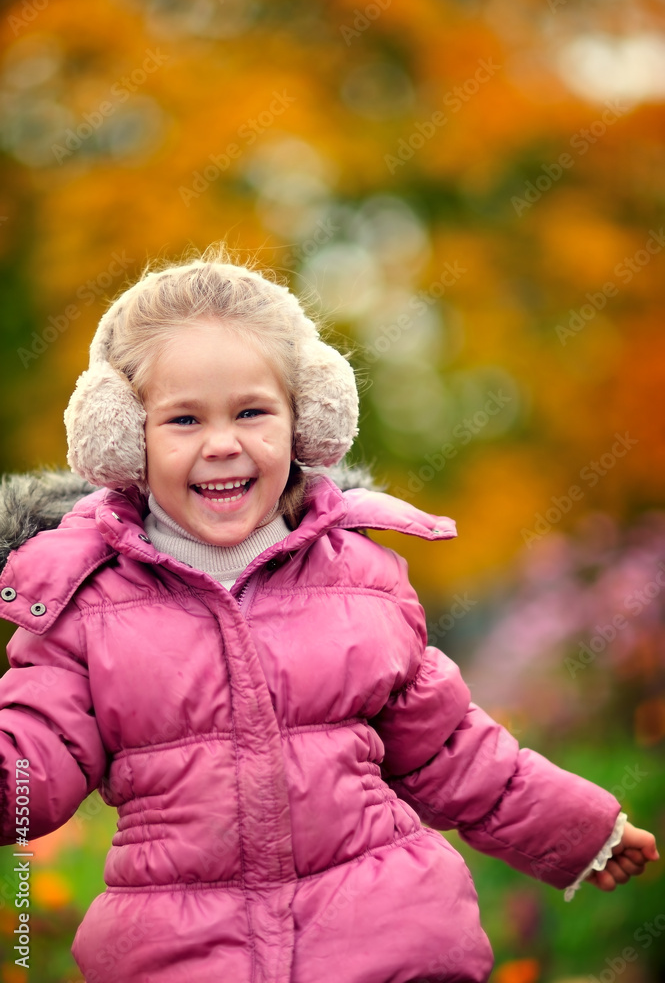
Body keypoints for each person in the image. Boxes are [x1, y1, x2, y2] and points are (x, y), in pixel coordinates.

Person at [0, 247, 658, 983]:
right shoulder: (85, 605)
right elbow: (31, 764)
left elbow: (455, 752)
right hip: (183, 958)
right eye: (183, 419)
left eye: (252, 411)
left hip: (390, 944)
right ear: (123, 437)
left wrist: (582, 831)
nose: (223, 443)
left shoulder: (362, 581)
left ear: (305, 418)